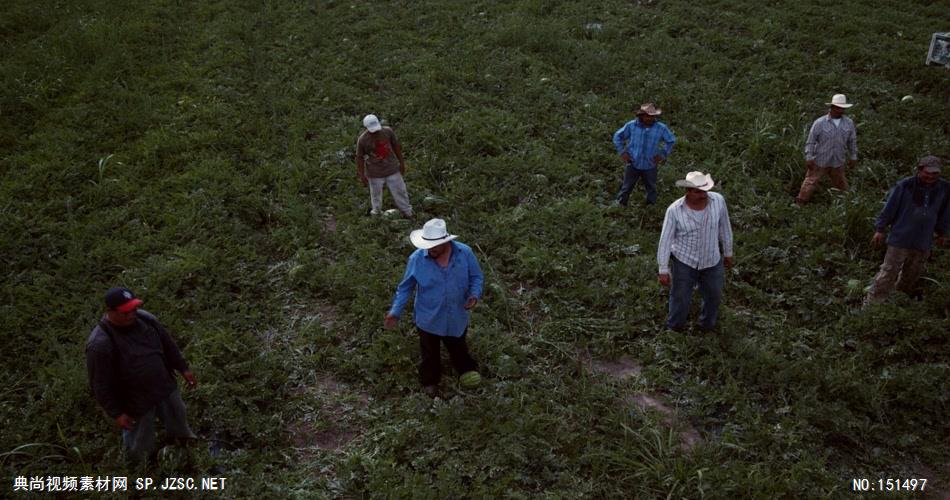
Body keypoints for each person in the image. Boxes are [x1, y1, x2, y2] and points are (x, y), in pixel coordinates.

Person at [85, 287, 197, 464]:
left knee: (178, 417)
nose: (131, 315)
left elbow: (167, 343)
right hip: (135, 402)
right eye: (125, 312)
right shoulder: (100, 344)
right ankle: (140, 470)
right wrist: (117, 413)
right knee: (140, 440)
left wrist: (183, 368)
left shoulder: (145, 319)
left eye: (134, 309)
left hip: (164, 386)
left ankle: (184, 444)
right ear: (110, 312)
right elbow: (100, 385)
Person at [384, 218, 484, 397]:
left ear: (446, 242)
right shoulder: (417, 259)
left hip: (456, 315)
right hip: (428, 317)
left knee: (458, 345)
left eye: (435, 246)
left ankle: (465, 369)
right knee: (430, 352)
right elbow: (405, 287)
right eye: (428, 246)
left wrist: (474, 295)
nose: (430, 250)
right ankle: (430, 381)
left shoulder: (465, 253)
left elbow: (476, 276)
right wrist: (395, 312)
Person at [865, 156, 949, 304]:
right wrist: (880, 229)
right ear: (919, 170)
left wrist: (942, 232)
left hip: (924, 239)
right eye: (927, 172)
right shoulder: (905, 185)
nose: (930, 176)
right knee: (889, 271)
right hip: (901, 236)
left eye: (935, 173)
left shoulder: (944, 188)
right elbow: (890, 208)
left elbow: (944, 212)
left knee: (913, 272)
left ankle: (899, 300)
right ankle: (873, 303)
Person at [657, 172, 734, 331]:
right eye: (698, 192)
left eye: (705, 190)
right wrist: (663, 269)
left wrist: (728, 252)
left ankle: (707, 326)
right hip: (684, 261)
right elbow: (665, 240)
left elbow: (725, 227)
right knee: (680, 297)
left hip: (712, 260)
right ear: (688, 192)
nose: (703, 195)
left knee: (714, 295)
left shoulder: (718, 201)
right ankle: (675, 328)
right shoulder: (674, 211)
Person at [795, 94, 858, 204]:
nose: (840, 110)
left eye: (842, 108)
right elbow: (811, 141)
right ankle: (800, 202)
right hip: (820, 160)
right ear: (832, 107)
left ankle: (845, 203)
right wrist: (809, 157)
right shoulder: (820, 123)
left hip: (838, 160)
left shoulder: (849, 123)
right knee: (810, 182)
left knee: (841, 184)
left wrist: (853, 157)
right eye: (838, 108)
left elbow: (852, 141)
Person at [612, 103, 676, 206]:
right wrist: (622, 152)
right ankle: (621, 204)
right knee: (627, 186)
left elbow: (671, 140)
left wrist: (662, 153)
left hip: (650, 163)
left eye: (652, 116)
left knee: (651, 186)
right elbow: (617, 136)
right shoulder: (631, 126)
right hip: (633, 161)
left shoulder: (661, 128)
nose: (650, 119)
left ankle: (651, 206)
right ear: (641, 116)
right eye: (647, 116)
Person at [356, 114, 413, 217]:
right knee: (376, 196)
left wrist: (402, 163)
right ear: (366, 128)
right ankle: (376, 214)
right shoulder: (362, 140)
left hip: (392, 168)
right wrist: (362, 175)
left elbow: (396, 146)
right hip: (374, 173)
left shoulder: (387, 131)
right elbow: (359, 158)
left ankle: (407, 212)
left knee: (400, 191)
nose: (375, 132)